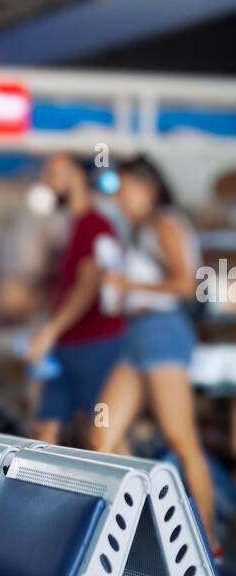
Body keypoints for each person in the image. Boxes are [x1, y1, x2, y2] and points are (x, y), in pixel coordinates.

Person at [91, 154, 218, 549]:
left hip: (163, 332)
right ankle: (136, 527)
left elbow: (185, 284)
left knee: (181, 439)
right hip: (138, 334)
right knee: (101, 436)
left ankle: (209, 541)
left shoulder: (165, 223)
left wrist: (129, 285)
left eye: (124, 190)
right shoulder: (138, 229)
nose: (119, 199)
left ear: (148, 188)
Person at [27, 153, 125, 444]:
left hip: (96, 343)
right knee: (44, 427)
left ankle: (137, 488)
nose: (49, 182)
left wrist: (50, 330)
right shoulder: (69, 227)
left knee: (104, 435)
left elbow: (88, 287)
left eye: (56, 173)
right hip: (65, 345)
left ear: (78, 176)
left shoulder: (96, 225)